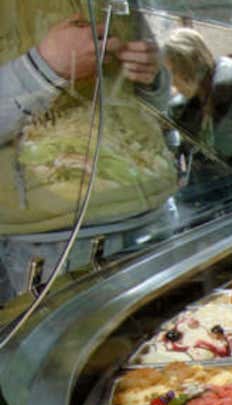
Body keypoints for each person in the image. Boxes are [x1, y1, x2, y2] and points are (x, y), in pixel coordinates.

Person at [0, 6, 176, 300]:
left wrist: (153, 75)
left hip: (157, 217)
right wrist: (43, 66)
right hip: (54, 246)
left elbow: (156, 108)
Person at [160, 28, 232, 183]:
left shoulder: (231, 102)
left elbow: (229, 160)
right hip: (204, 194)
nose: (171, 82)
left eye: (172, 73)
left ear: (188, 69)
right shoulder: (189, 106)